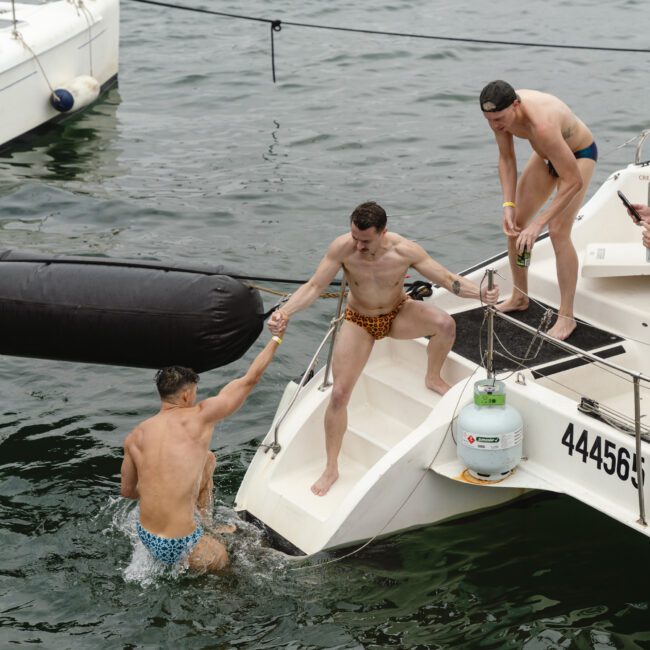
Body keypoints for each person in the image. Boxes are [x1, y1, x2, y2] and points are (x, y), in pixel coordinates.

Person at [267, 201, 499, 496]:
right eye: (354, 238)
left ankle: (432, 377)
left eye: (365, 240)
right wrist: (285, 312)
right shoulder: (343, 248)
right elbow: (314, 287)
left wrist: (480, 293)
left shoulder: (405, 251)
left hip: (397, 312)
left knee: (445, 324)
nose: (359, 246)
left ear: (383, 232)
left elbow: (446, 279)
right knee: (338, 394)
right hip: (359, 321)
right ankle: (331, 467)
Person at [120, 322, 286, 572]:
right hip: (184, 543)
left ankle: (204, 523)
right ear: (186, 395)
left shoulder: (135, 436)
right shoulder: (199, 417)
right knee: (232, 574)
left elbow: (128, 491)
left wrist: (164, 488)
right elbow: (250, 379)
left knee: (207, 459)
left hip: (147, 537)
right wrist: (276, 339)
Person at [479, 80, 598, 340]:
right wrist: (507, 205)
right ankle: (519, 297)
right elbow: (507, 158)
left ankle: (566, 317)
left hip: (579, 156)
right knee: (514, 226)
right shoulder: (499, 115)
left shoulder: (541, 124)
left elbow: (573, 180)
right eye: (489, 120)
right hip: (546, 157)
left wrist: (539, 224)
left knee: (557, 231)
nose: (496, 125)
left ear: (516, 105)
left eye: (499, 118)